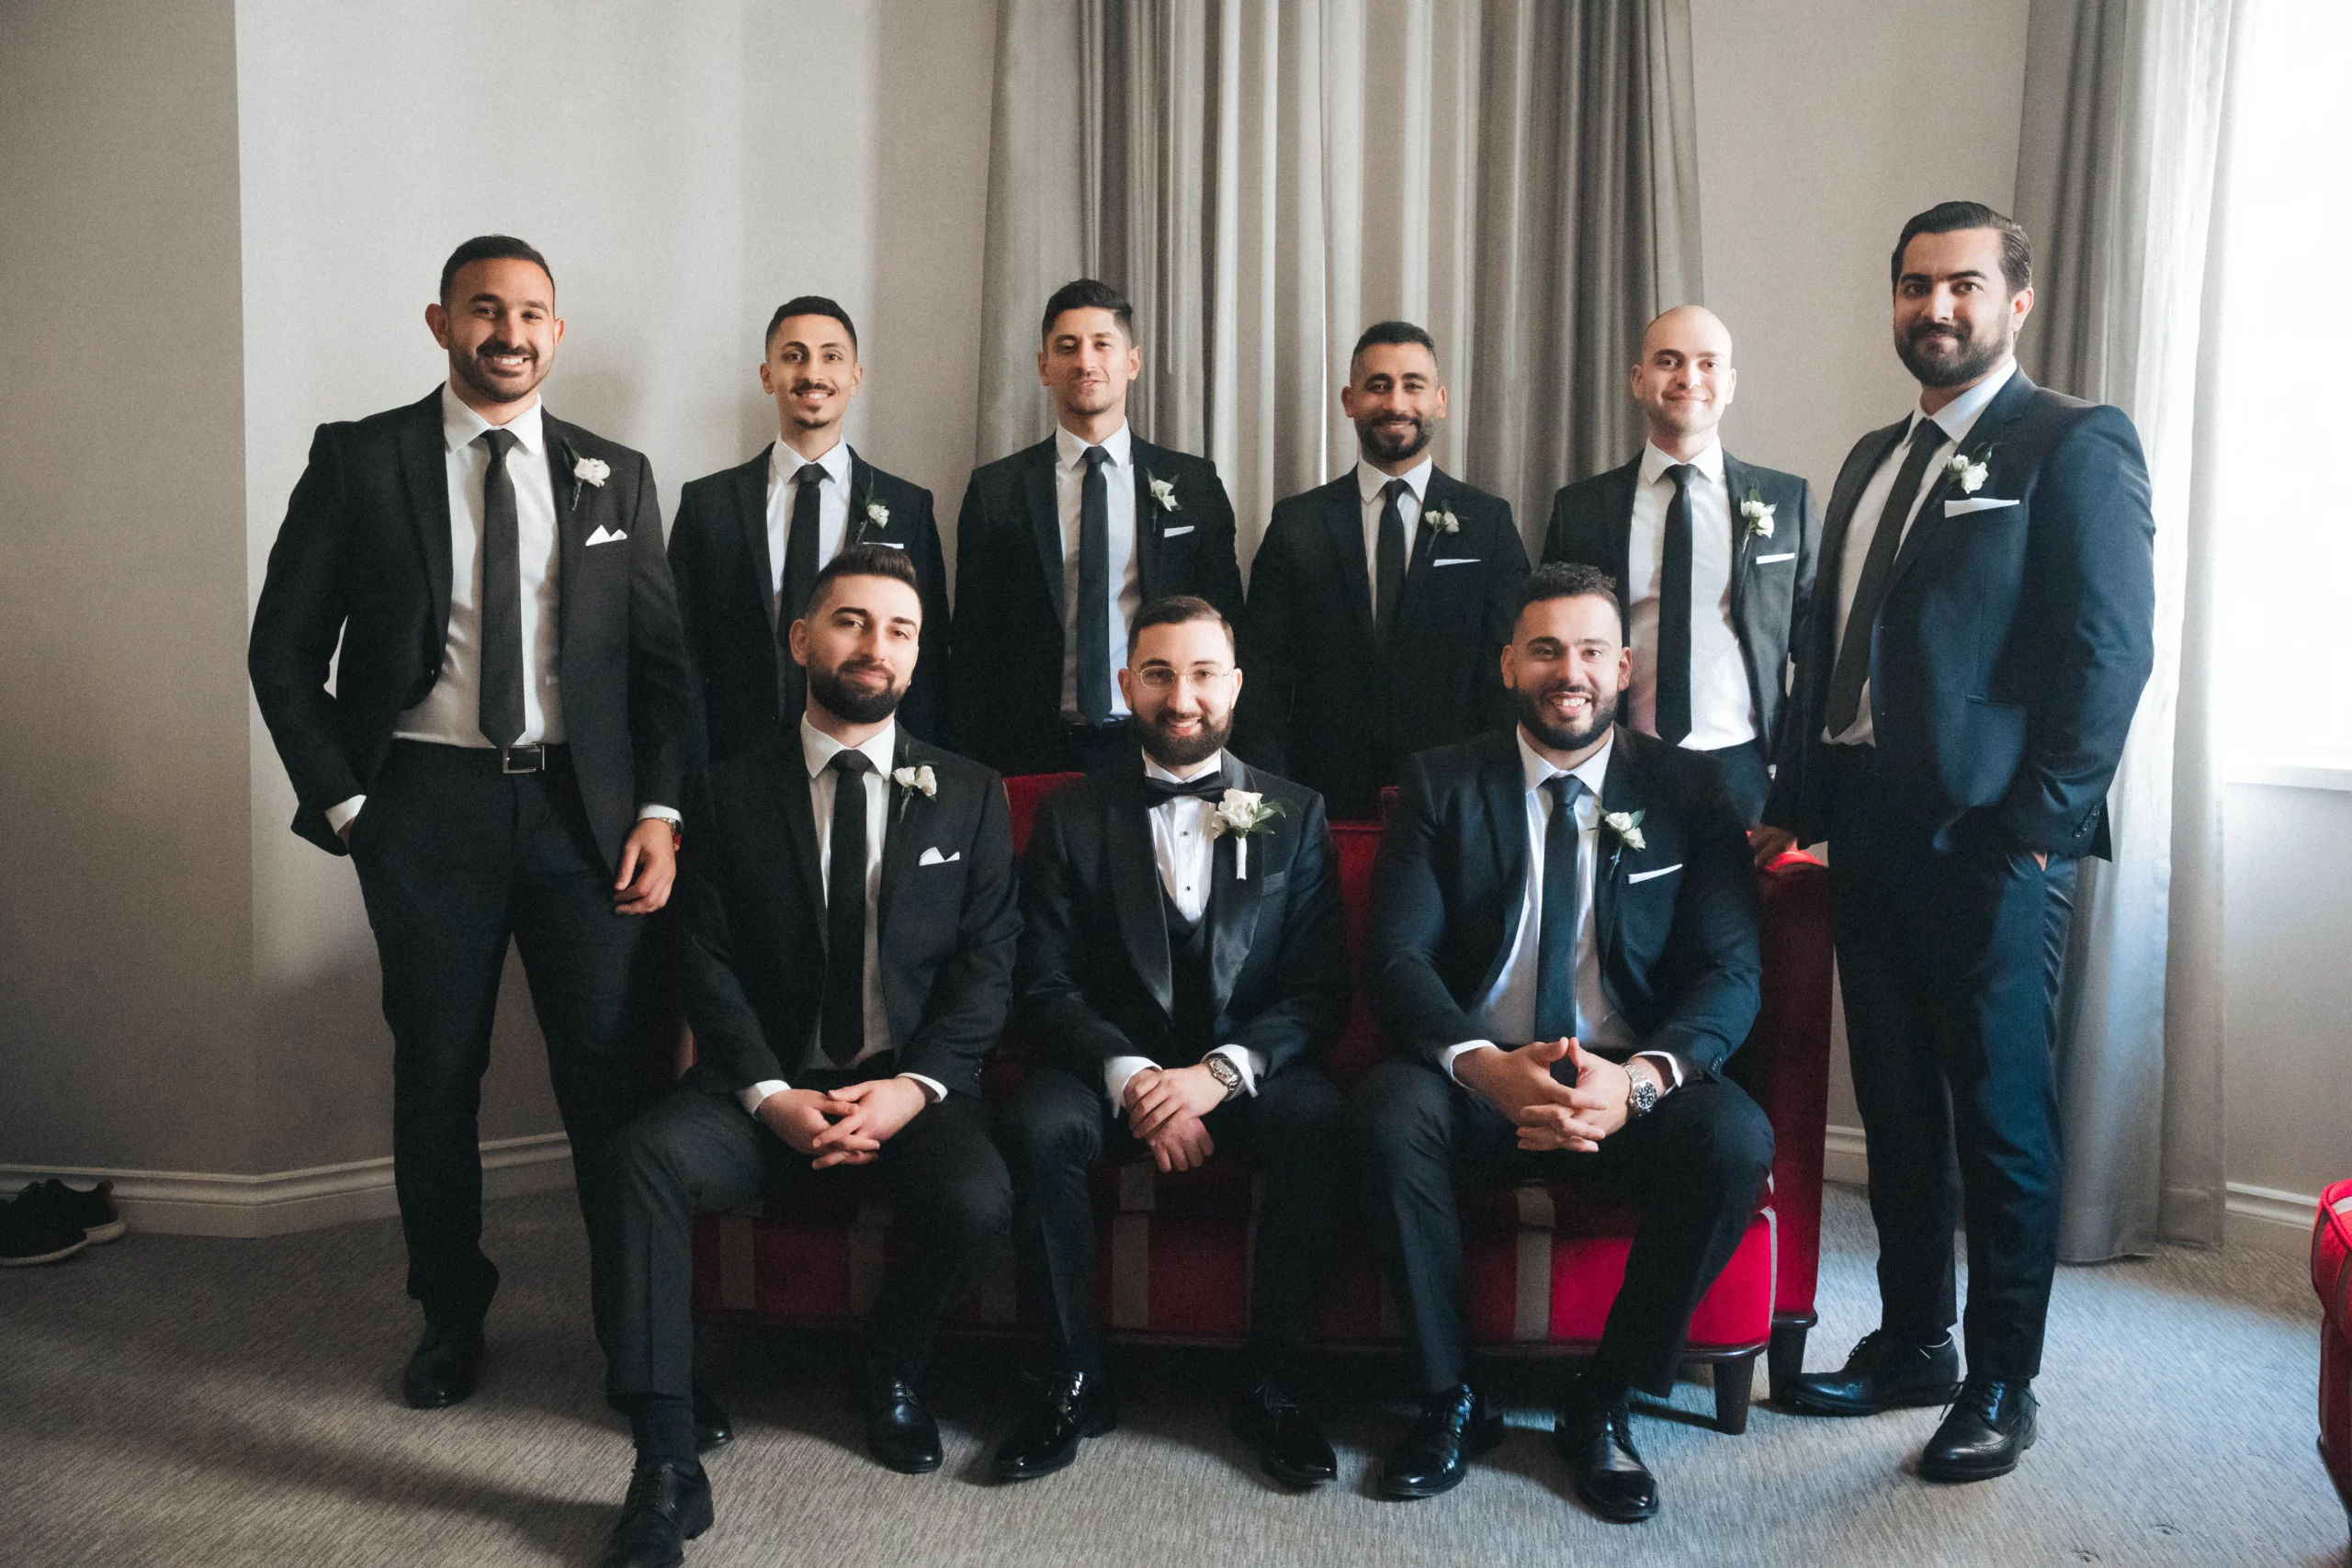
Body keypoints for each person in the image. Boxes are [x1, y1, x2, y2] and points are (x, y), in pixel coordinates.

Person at [247, 235, 694, 1411]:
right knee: (437, 1075)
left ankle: (633, 1342)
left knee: (609, 1082)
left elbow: (663, 674)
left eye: (533, 313)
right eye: (485, 309)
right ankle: (450, 1315)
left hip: (579, 817)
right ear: (439, 322)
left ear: (558, 332)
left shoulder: (617, 477)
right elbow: (282, 647)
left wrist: (659, 809)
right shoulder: (361, 460)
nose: (511, 331)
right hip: (422, 811)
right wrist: (347, 804)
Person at [1756, 201, 2156, 1483]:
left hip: (1995, 842)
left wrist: (2037, 831)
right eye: (1916, 287)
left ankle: (2003, 1378)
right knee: (1899, 1110)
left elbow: (2111, 651)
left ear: (2015, 301)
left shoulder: (2074, 442)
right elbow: (1835, 641)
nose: (1936, 309)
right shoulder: (1876, 453)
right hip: (1867, 834)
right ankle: (1915, 1339)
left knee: (2000, 1118)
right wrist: (1803, 796)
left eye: (1964, 287)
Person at [593, 545, 1020, 1568]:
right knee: (641, 1158)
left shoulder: (970, 793)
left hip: (903, 1088)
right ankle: (661, 1459)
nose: (875, 646)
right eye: (852, 621)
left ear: (916, 660)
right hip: (762, 1089)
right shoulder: (724, 789)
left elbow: (987, 969)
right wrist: (771, 1094)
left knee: (981, 1198)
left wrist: (913, 1092)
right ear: (801, 641)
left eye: (899, 630)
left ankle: (890, 1369)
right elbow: (705, 963)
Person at [1351, 562, 1770, 1522]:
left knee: (1735, 1139)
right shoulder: (1438, 783)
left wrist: (1641, 1081)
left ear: (1622, 668)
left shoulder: (1689, 791)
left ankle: (1606, 1398)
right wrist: (1483, 1067)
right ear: (1509, 664)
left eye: (1588, 651)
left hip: (1628, 1084)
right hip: (1478, 1079)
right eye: (1544, 650)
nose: (1566, 671)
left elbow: (1729, 972)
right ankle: (1449, 1395)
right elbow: (1399, 961)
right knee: (1384, 1115)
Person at [990, 596, 1350, 1487]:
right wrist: (1138, 1079)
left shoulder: (1293, 813)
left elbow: (1315, 993)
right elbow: (1044, 984)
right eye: (1158, 674)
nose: (1179, 695)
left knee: (1324, 1123)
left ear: (1233, 684)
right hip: (1104, 1067)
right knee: (1036, 1128)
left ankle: (1270, 1380)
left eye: (1199, 674)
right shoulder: (1070, 816)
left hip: (1246, 1070)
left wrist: (1216, 1078)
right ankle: (1073, 1377)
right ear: (1125, 685)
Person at [947, 279, 1245, 776]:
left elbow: (1228, 626)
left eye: (1101, 344)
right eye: (1067, 347)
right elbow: (973, 645)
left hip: (1161, 742)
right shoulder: (995, 491)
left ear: (1132, 360)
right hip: (1027, 747)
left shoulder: (1193, 484)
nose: (1085, 362)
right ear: (1044, 366)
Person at [1235, 321, 1529, 818]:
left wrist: (1492, 788)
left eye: (1413, 385)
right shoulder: (1297, 523)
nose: (1396, 403)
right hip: (1320, 795)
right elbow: (1261, 675)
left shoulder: (1490, 522)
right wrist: (1272, 795)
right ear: (1349, 400)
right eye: (1378, 385)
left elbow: (1508, 669)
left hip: (1453, 794)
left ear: (1440, 400)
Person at [1541, 305, 1819, 826]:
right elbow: (1551, 642)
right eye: (1669, 361)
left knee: (1732, 911)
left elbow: (1817, 648)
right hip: (1618, 760)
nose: (1688, 377)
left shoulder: (1788, 500)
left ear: (1730, 382)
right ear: (1638, 379)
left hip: (1743, 769)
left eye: (1707, 364)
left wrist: (1799, 784)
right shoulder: (1580, 508)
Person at [668, 296, 950, 762]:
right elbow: (682, 656)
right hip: (736, 762)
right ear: (767, 375)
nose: (812, 373)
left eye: (831, 357)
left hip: (867, 759)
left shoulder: (908, 507)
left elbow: (929, 653)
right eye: (794, 355)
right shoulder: (707, 504)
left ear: (855, 378)